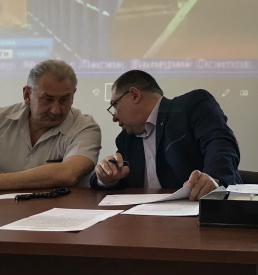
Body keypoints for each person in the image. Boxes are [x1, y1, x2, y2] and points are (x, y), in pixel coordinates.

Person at [0, 59, 102, 191]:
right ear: (27, 95)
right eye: (47, 99)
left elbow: (68, 174)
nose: (56, 110)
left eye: (64, 100)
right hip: (2, 214)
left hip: (62, 215)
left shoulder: (85, 126)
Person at [91, 70, 242, 200]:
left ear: (134, 95)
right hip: (146, 219)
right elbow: (121, 178)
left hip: (203, 210)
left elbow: (220, 144)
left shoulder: (192, 106)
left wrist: (214, 179)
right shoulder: (125, 139)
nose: (114, 117)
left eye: (115, 105)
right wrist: (106, 178)